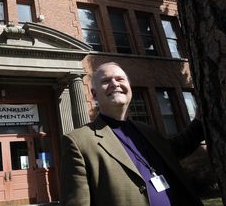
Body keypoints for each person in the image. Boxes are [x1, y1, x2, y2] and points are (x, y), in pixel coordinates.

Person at [60, 62, 204, 206]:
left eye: (120, 79)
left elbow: (174, 150)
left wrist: (199, 122)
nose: (115, 84)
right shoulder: (78, 142)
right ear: (94, 94)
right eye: (105, 81)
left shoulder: (147, 131)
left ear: (129, 88)